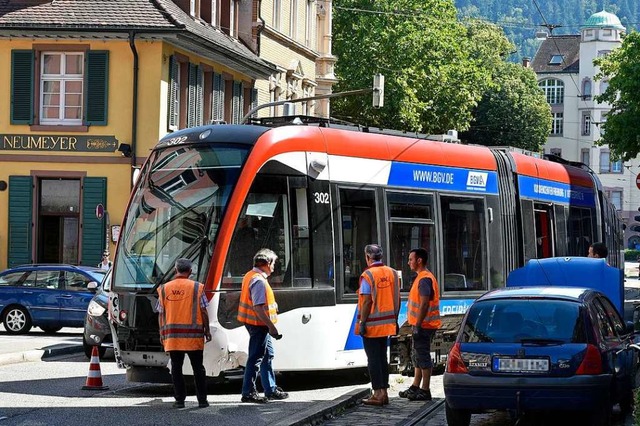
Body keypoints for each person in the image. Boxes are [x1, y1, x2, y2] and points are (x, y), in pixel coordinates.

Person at [156, 258, 211, 409]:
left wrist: (162, 333)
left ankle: (179, 400)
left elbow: (161, 313)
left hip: (173, 337)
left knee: (176, 368)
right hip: (194, 337)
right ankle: (202, 401)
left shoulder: (164, 288)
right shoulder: (197, 287)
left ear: (175, 270)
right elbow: (204, 311)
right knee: (198, 368)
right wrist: (207, 330)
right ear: (191, 272)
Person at [237, 248, 289, 403]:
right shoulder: (258, 281)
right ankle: (248, 392)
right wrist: (272, 327)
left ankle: (270, 389)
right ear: (267, 263)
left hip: (256, 324)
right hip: (259, 325)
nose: (274, 267)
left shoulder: (250, 275)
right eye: (274, 263)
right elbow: (258, 307)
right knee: (256, 357)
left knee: (266, 356)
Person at [355, 244, 400, 406]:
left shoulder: (368, 274)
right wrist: (394, 320)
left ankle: (378, 394)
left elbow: (366, 301)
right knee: (382, 358)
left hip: (372, 325)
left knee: (373, 360)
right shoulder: (392, 273)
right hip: (388, 324)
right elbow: (397, 298)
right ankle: (384, 393)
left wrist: (362, 322)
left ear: (368, 257)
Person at [398, 248, 441, 402]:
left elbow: (423, 304)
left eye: (410, 259)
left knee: (422, 356)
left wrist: (418, 324)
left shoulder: (424, 279)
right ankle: (416, 386)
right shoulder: (421, 277)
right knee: (417, 355)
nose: (408, 262)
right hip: (422, 324)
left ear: (419, 260)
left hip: (424, 324)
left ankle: (425, 390)